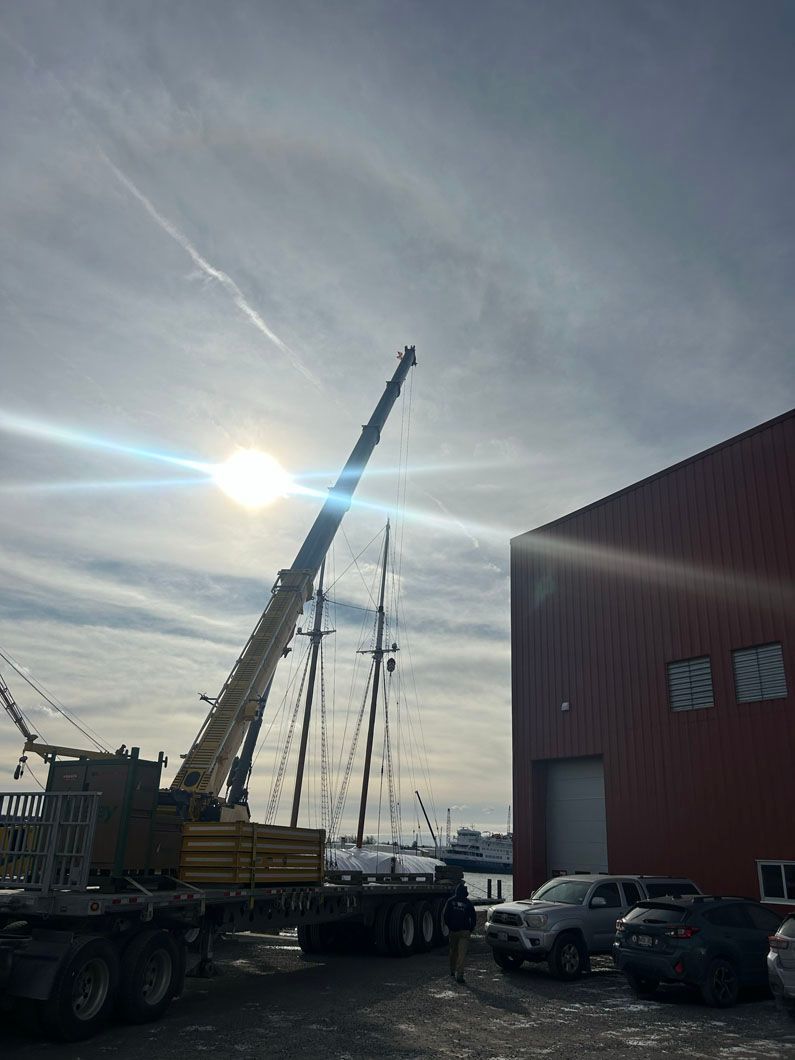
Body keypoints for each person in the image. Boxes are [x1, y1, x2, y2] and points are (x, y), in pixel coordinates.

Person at [443, 880, 476, 983]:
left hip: (453, 931)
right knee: (462, 954)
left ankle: (452, 970)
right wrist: (470, 929)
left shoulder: (450, 901)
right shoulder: (468, 903)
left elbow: (445, 916)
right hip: (465, 931)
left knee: (453, 952)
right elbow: (474, 918)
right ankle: (460, 975)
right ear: (465, 893)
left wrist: (450, 926)